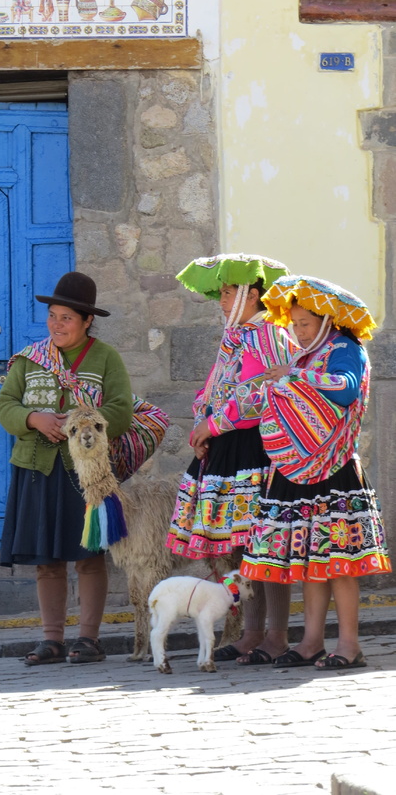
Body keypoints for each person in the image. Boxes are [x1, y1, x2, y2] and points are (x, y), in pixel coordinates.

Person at [241, 275, 391, 669]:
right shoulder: (305, 356)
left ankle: (349, 644)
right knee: (313, 559)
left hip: (335, 472)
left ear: (326, 321)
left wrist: (295, 376)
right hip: (298, 470)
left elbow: (345, 389)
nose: (298, 332)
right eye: (294, 324)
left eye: (305, 324)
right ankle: (310, 642)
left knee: (340, 562)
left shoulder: (346, 349)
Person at [166, 253, 299, 665]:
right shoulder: (235, 336)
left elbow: (268, 392)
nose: (222, 301)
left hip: (257, 448)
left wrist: (216, 424)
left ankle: (276, 636)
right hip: (227, 445)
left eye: (228, 293)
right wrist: (201, 425)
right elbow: (216, 385)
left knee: (266, 542)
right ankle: (251, 633)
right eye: (221, 293)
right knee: (242, 546)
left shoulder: (270, 334)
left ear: (252, 294)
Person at [0, 272, 133, 665]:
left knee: (89, 554)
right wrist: (34, 419)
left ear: (87, 321)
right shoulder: (29, 359)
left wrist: (78, 424)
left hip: (86, 474)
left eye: (66, 318)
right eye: (52, 316)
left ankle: (88, 639)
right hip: (37, 469)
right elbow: (6, 405)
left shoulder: (105, 359)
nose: (56, 325)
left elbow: (121, 410)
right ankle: (51, 638)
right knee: (47, 559)